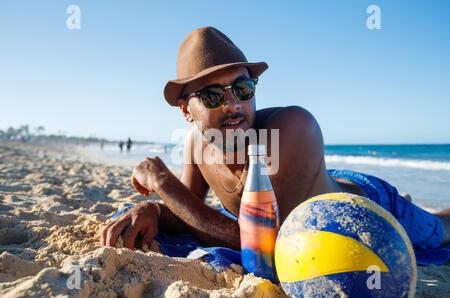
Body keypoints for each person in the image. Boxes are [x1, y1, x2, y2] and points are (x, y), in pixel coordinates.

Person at [101, 26, 450, 254]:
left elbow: (267, 247)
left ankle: (418, 208)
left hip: (366, 209)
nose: (233, 105)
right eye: (211, 96)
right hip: (305, 191)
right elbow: (188, 211)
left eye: (242, 88)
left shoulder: (292, 129)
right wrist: (153, 209)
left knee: (444, 230)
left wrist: (162, 183)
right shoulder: (197, 143)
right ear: (186, 111)